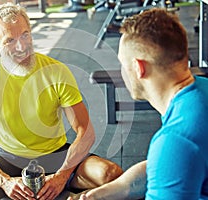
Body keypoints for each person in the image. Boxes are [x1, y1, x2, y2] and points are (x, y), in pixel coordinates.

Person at [0, 3, 123, 200]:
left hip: (56, 155)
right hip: (7, 159)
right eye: (9, 40)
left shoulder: (57, 71)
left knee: (111, 175)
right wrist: (4, 181)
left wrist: (62, 175)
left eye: (25, 35)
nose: (21, 46)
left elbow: (86, 132)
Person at [69, 8, 208, 200]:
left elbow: (173, 154)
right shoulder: (199, 93)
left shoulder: (176, 141)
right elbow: (162, 165)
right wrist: (99, 194)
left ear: (138, 67)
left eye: (122, 64)